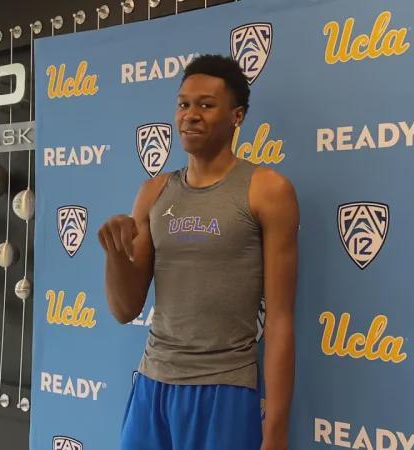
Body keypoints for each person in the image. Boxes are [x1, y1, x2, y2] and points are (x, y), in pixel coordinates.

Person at [98, 54, 298, 450]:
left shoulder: (268, 190)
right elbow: (125, 309)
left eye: (206, 105)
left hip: (224, 390)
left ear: (237, 116)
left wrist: (276, 430)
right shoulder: (153, 192)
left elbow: (279, 320)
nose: (190, 115)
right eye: (183, 104)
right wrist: (115, 254)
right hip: (152, 384)